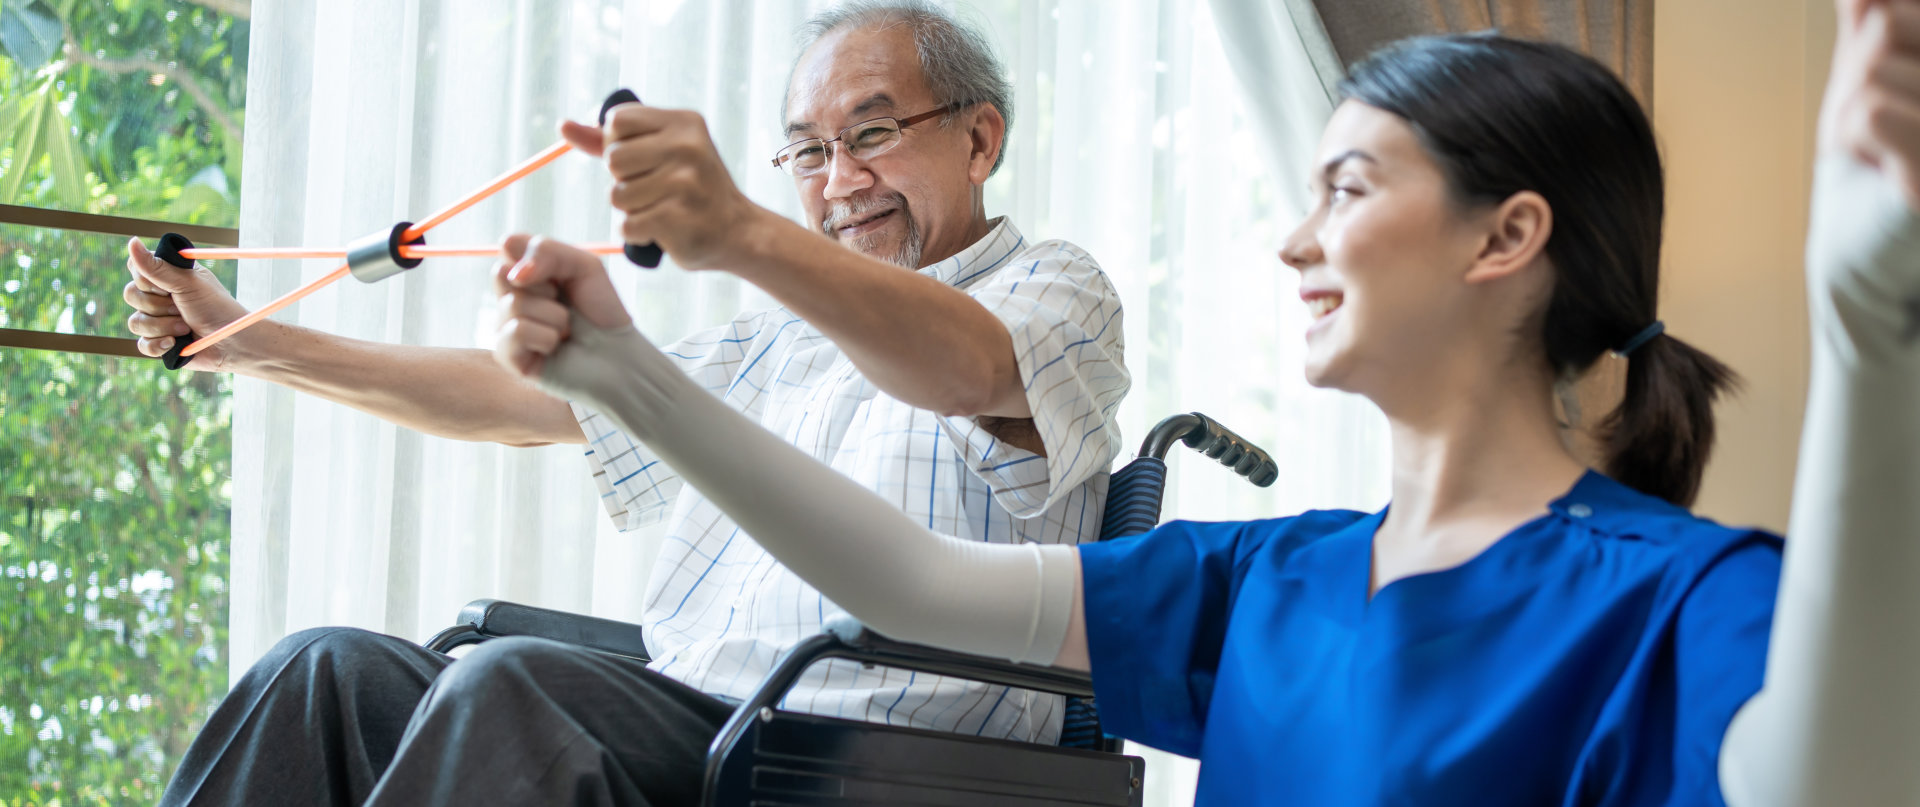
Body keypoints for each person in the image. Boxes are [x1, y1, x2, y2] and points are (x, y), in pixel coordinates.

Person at [498, 28, 1905, 806]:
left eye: (1348, 190)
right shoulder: (1270, 576)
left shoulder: (1682, 596)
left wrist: (1867, 332)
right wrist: (628, 380)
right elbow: (906, 580)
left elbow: (1829, 785)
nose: (1295, 244)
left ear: (1505, 237)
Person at [139, 2, 1128, 805]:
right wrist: (252, 343)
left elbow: (961, 366)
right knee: (325, 675)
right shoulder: (772, 341)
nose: (840, 183)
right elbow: (518, 400)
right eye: (807, 155)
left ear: (979, 140)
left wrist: (736, 230)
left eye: (869, 134)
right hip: (696, 722)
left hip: (881, 760)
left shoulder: (1050, 292)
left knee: (513, 686)